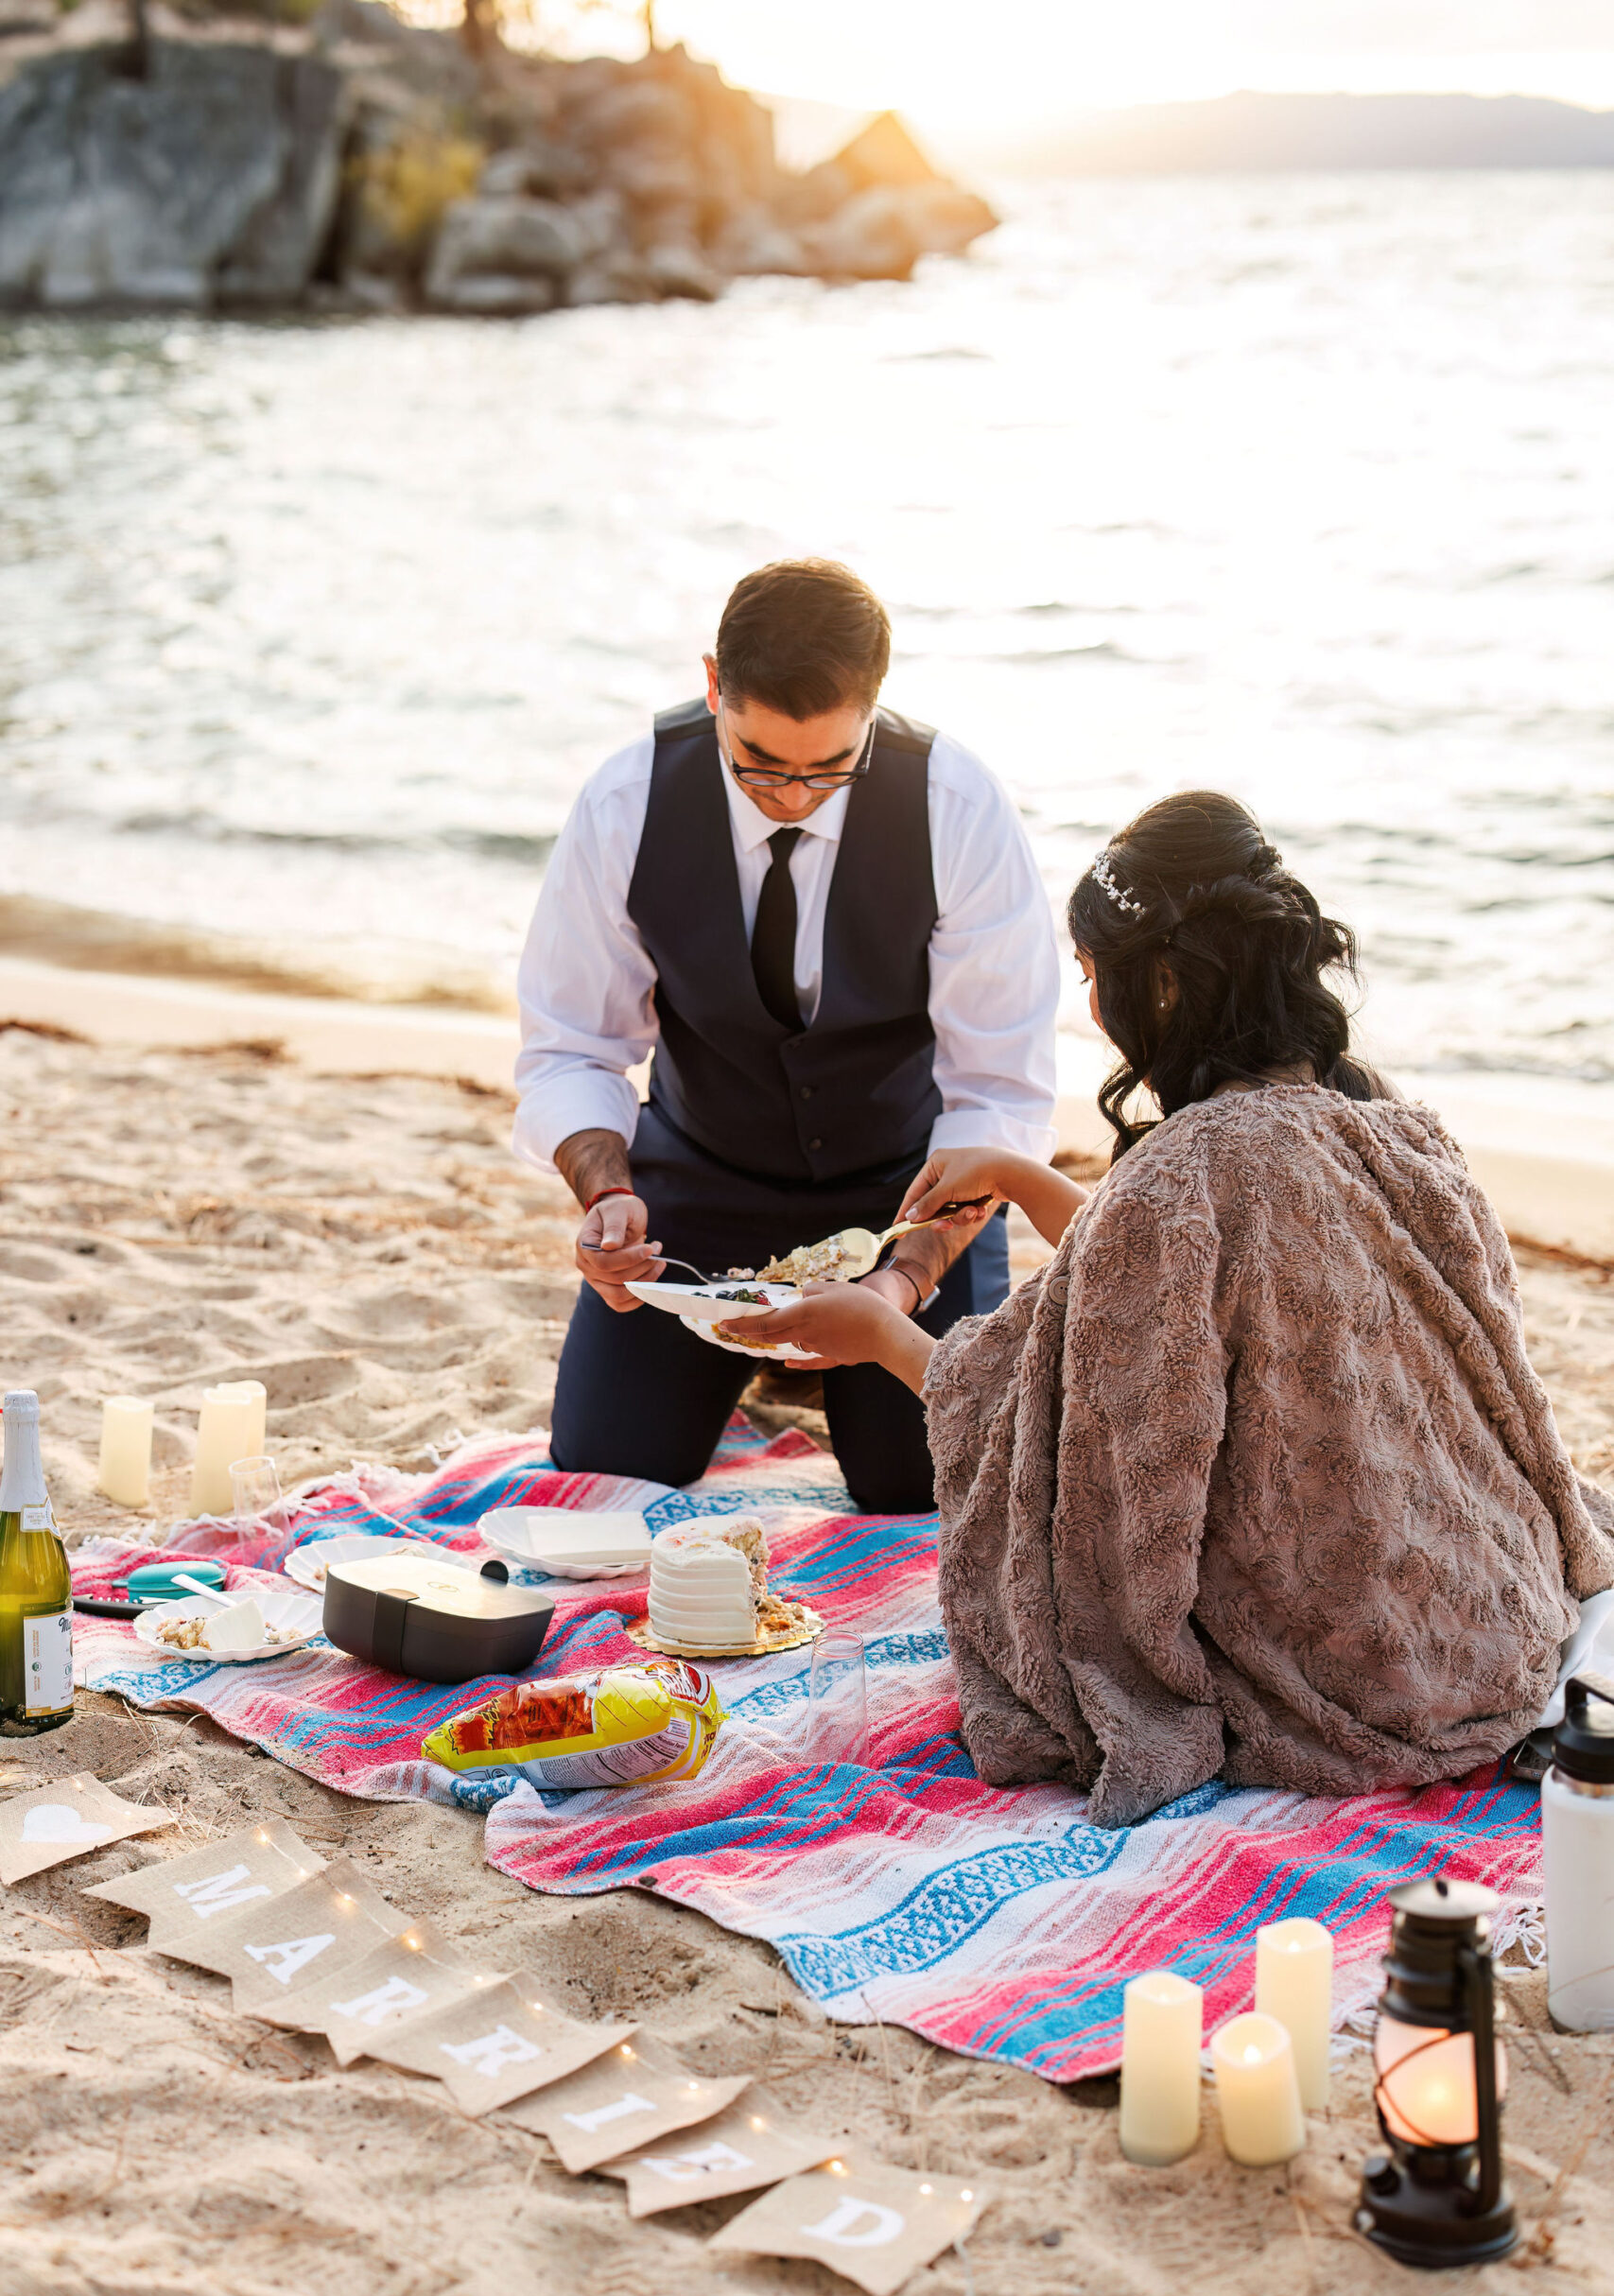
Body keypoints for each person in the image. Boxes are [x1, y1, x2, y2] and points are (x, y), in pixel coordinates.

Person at [723, 791, 1614, 1823]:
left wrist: (877, 1332)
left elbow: (1069, 1443)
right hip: (1486, 1616)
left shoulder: (1182, 1180)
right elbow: (1166, 1281)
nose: (1089, 997)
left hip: (1357, 1676)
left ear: (1163, 980)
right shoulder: (1389, 1125)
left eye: (1096, 972)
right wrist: (1017, 1172)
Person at [513, 559, 1060, 1512]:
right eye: (759, 763)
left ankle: (826, 1377)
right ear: (715, 683)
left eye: (829, 769)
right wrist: (606, 1192)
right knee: (609, 1460)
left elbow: (998, 1095)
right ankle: (766, 1371)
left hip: (908, 1188)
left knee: (917, 1483)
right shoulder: (626, 801)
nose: (795, 796)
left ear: (873, 709)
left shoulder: (959, 809)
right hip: (700, 1176)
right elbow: (573, 1044)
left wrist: (899, 1287)